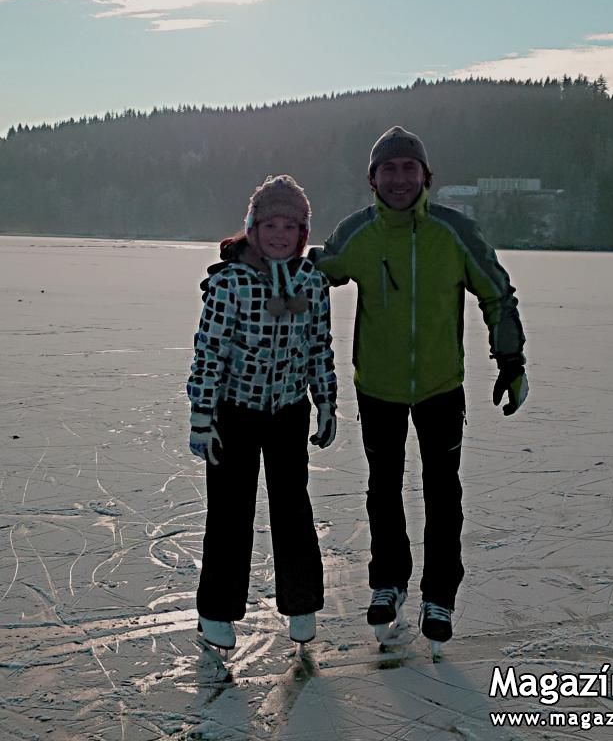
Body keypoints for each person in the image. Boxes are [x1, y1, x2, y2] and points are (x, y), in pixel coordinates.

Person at [310, 126, 527, 654]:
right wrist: (247, 263)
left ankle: (439, 595)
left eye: (409, 168)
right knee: (383, 489)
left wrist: (511, 359)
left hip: (439, 386)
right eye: (390, 169)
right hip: (378, 386)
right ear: (373, 179)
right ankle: (388, 582)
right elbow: (316, 269)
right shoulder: (359, 233)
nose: (400, 178)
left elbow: (497, 293)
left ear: (426, 176)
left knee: (442, 490)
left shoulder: (454, 232)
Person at [187, 174, 337, 651]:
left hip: (288, 413)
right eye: (269, 224)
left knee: (293, 509)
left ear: (302, 233)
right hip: (236, 414)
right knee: (229, 514)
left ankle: (302, 602)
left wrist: (326, 400)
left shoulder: (311, 281)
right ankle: (216, 611)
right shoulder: (229, 283)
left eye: (289, 226)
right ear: (252, 228)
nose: (278, 234)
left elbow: (319, 346)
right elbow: (209, 352)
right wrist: (202, 416)